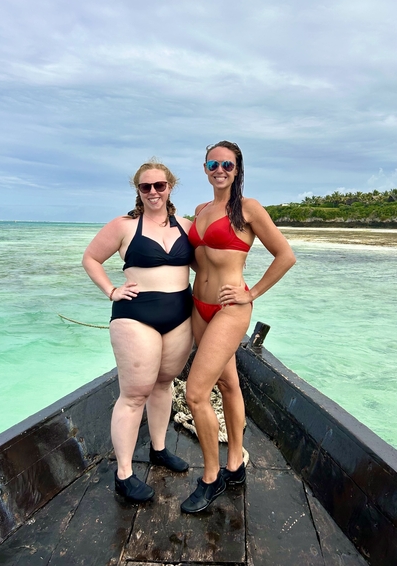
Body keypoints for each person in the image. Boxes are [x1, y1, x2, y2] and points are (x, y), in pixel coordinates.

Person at [180, 141, 296, 513]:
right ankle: (235, 465)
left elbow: (286, 255)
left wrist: (253, 293)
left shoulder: (248, 209)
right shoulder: (200, 210)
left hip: (231, 308)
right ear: (205, 168)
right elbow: (199, 260)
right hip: (199, 306)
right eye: (213, 163)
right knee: (228, 383)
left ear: (237, 168)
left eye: (227, 164)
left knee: (196, 393)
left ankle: (212, 478)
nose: (220, 169)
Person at [82, 159, 194, 503]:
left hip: (180, 315)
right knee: (133, 395)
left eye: (159, 185)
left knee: (164, 383)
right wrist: (111, 290)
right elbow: (90, 258)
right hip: (135, 316)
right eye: (146, 187)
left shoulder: (187, 226)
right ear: (138, 191)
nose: (153, 192)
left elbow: (212, 261)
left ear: (170, 187)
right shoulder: (124, 225)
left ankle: (159, 449)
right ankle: (124, 474)